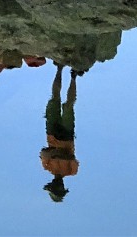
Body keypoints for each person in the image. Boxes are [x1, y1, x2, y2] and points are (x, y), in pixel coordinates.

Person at [39, 63, 80, 202]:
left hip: (53, 133)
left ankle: (60, 69)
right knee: (68, 105)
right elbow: (68, 158)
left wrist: (58, 154)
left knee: (55, 98)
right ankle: (73, 77)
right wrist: (55, 154)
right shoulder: (70, 171)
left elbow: (43, 152)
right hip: (66, 136)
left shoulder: (48, 167)